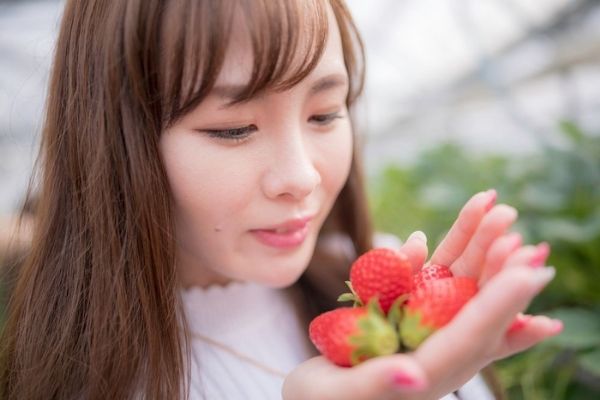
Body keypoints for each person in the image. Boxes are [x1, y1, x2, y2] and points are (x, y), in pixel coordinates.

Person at [0, 0, 562, 399]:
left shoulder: (384, 285)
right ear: (114, 144)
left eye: (324, 114)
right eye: (233, 128)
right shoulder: (89, 382)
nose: (301, 177)